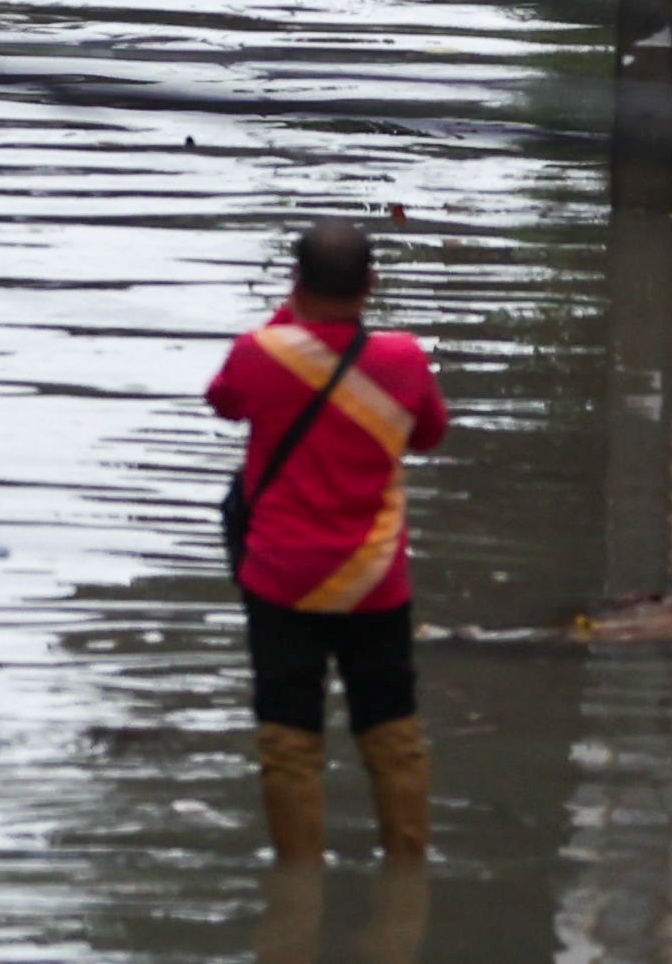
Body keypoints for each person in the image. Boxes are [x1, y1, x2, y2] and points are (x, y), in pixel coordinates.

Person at [206, 219, 450, 864]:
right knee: (392, 729)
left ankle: (297, 886)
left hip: (281, 580)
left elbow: (225, 402)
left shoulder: (261, 352)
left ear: (297, 282)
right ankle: (406, 876)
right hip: (374, 580)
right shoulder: (403, 359)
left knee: (288, 741)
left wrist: (290, 317)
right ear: (371, 284)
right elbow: (428, 435)